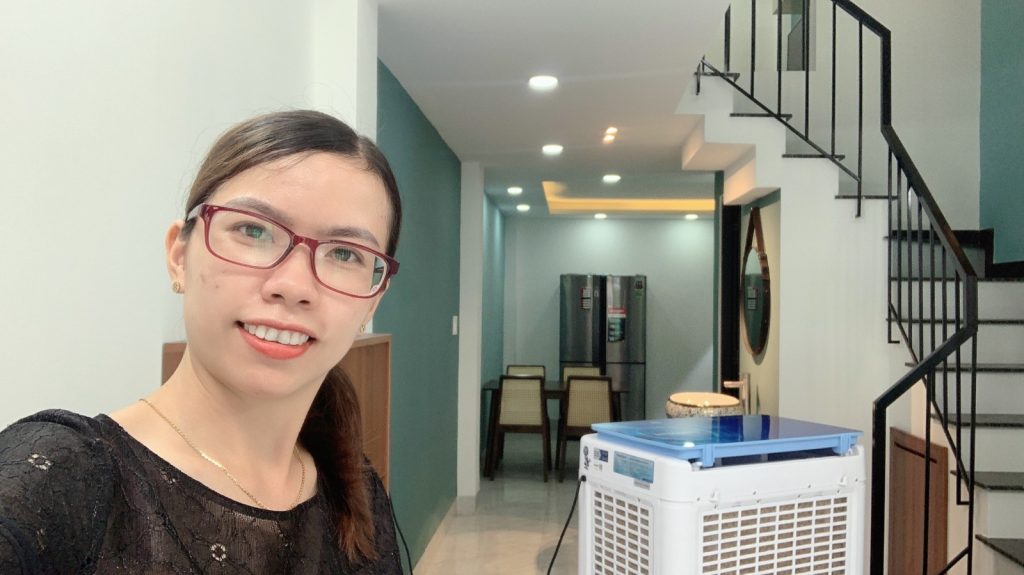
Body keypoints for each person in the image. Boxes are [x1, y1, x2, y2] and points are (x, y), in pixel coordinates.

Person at [0, 110, 405, 574]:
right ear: (179, 255)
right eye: (253, 230)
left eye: (345, 254)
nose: (294, 286)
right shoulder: (56, 483)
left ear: (373, 300)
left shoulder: (355, 490)